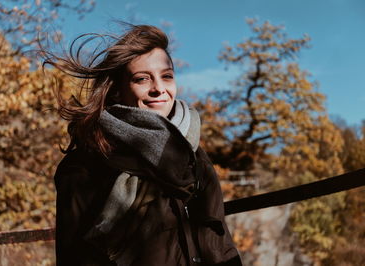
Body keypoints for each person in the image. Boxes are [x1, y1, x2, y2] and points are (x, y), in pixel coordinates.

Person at [45, 24, 242, 265]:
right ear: (117, 91)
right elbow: (75, 257)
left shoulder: (192, 152)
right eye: (142, 79)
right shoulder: (84, 166)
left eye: (167, 76)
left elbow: (219, 240)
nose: (159, 88)